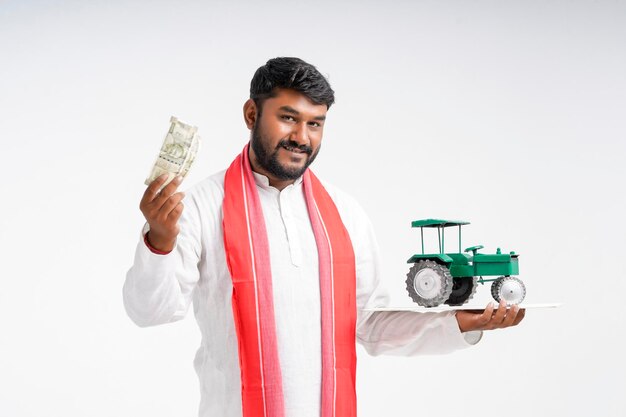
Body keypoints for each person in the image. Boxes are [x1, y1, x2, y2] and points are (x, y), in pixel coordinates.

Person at [124, 57, 525, 417]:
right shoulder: (200, 206)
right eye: (287, 117)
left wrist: (458, 323)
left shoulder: (345, 212)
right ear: (251, 114)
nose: (302, 136)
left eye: (314, 123)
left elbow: (368, 324)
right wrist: (159, 240)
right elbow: (151, 312)